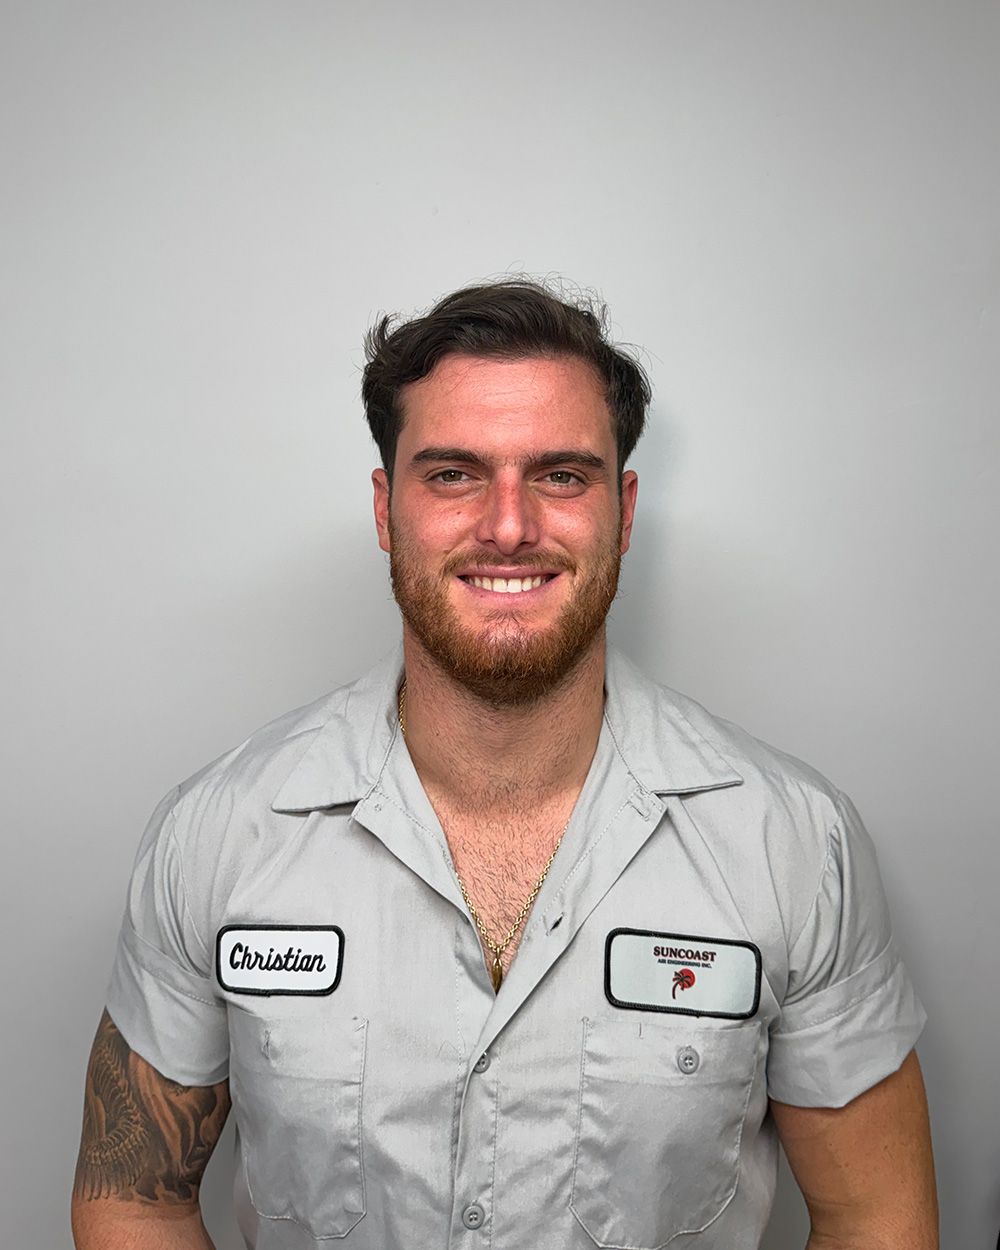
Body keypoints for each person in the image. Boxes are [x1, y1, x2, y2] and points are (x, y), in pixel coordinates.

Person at [72, 280, 937, 1250]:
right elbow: (133, 1192)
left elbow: (877, 1215)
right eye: (452, 473)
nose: (510, 524)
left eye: (561, 474)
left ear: (624, 505)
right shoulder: (220, 832)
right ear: (384, 507)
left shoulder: (790, 842)